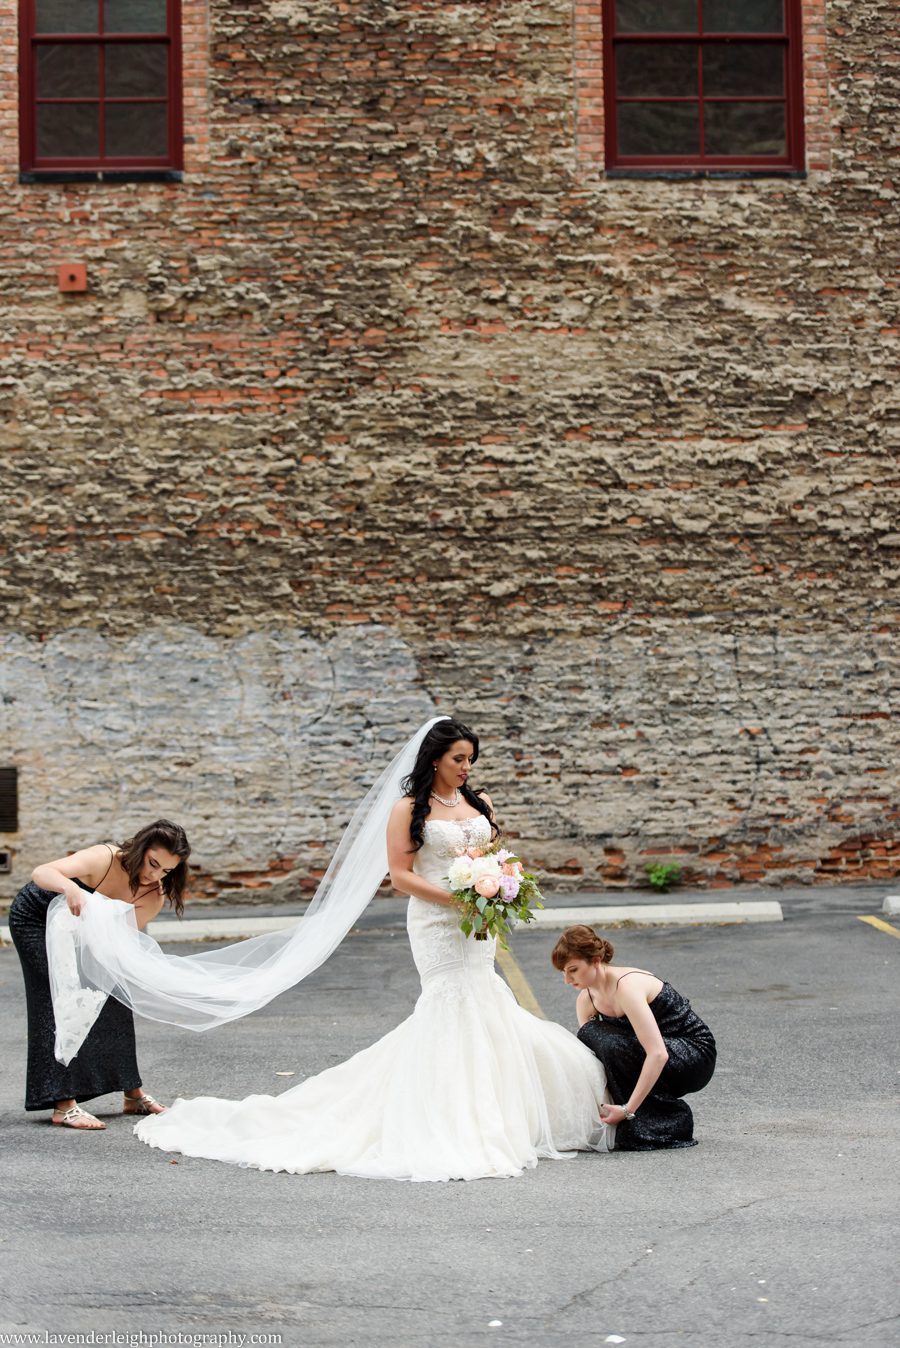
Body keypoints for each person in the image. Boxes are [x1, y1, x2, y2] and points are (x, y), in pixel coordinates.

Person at [133, 718, 607, 1180]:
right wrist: (461, 900)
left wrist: (501, 886)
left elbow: (492, 854)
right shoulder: (407, 809)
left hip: (478, 918)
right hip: (436, 921)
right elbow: (401, 877)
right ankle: (451, 1116)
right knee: (451, 1002)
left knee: (484, 995)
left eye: (471, 759)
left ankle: (501, 1111)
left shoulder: (479, 802)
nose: (467, 767)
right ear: (435, 759)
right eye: (458, 759)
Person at [9, 819, 191, 1130]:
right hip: (36, 919)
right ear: (140, 848)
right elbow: (41, 873)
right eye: (153, 863)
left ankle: (132, 1094)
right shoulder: (105, 858)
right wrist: (69, 887)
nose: (154, 874)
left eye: (166, 871)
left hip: (81, 932)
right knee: (58, 998)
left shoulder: (152, 894)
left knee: (112, 995)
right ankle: (63, 1104)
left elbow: (122, 941)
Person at [552, 925, 716, 1151]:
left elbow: (657, 1053)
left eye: (573, 970)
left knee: (607, 1040)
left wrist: (628, 1109)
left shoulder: (626, 987)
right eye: (563, 973)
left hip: (693, 1055)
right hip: (653, 1053)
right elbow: (597, 1058)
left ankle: (669, 1118)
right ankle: (639, 1116)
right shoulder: (586, 999)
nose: (567, 980)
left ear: (596, 960)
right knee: (592, 1035)